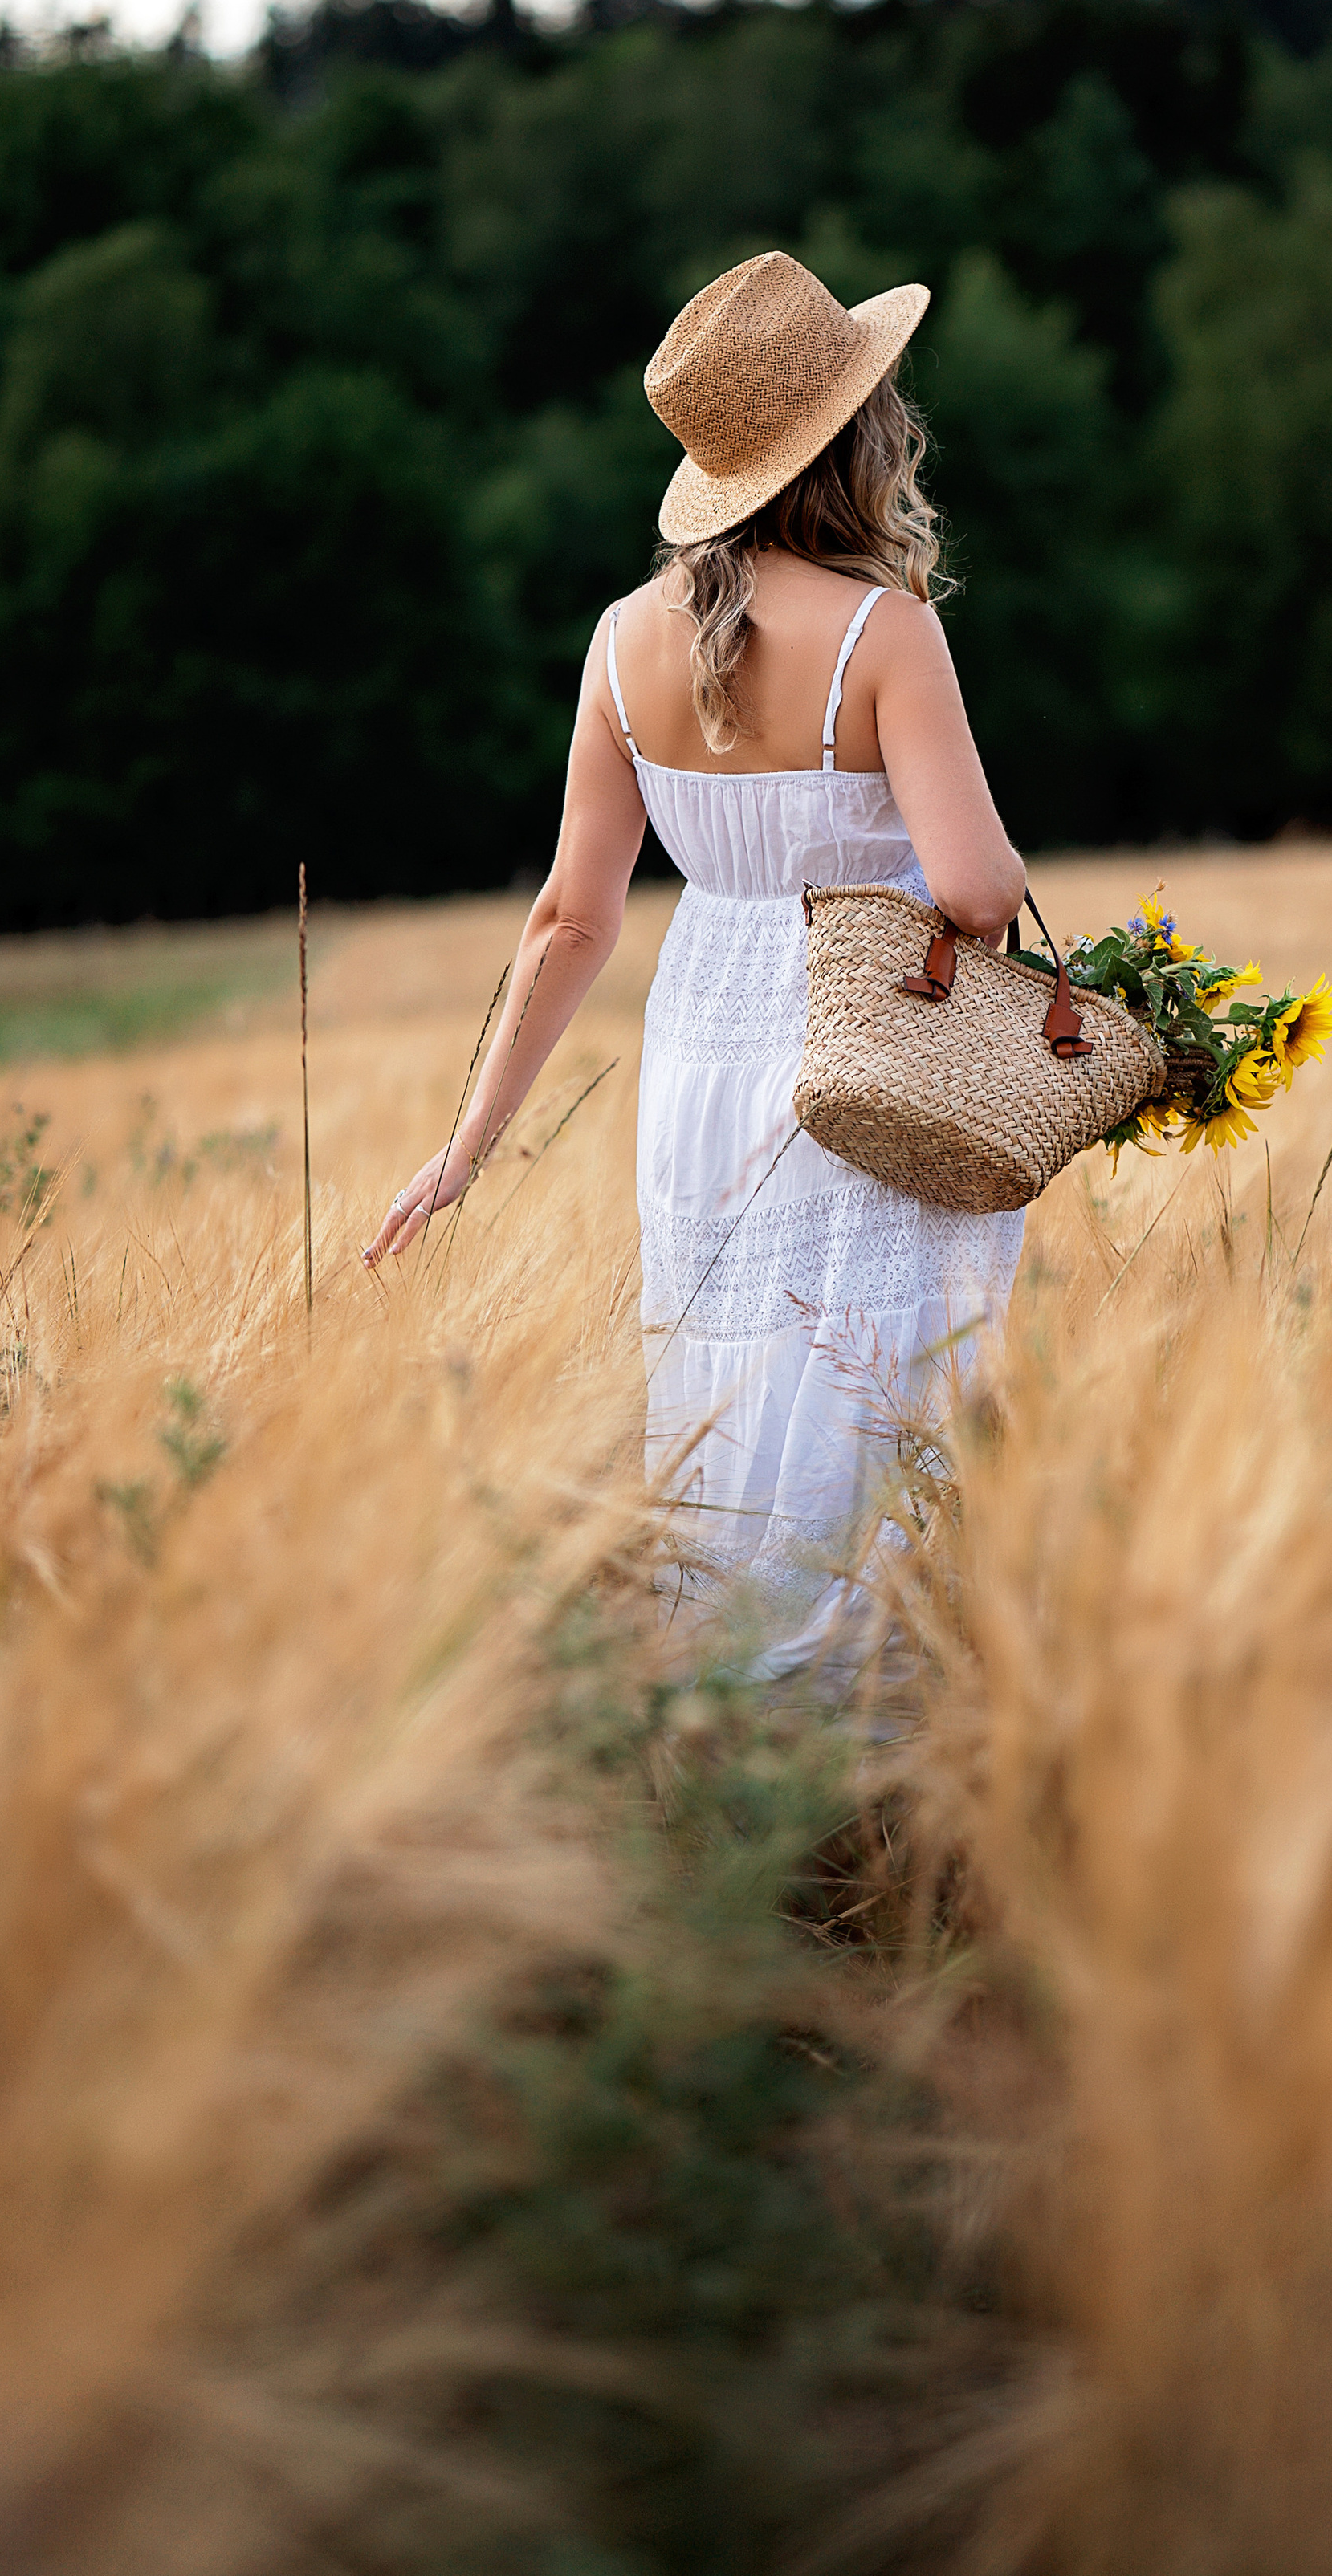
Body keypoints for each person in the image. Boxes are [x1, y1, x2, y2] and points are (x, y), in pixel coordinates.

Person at [365, 250, 1027, 1666]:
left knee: (730, 1375)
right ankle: (879, 1726)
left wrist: (467, 1147)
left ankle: (726, 1704)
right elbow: (972, 891)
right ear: (855, 444)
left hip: (710, 1053)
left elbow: (571, 917)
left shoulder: (617, 644)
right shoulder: (884, 631)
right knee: (879, 1377)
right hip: (871, 1040)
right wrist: (1010, 883)